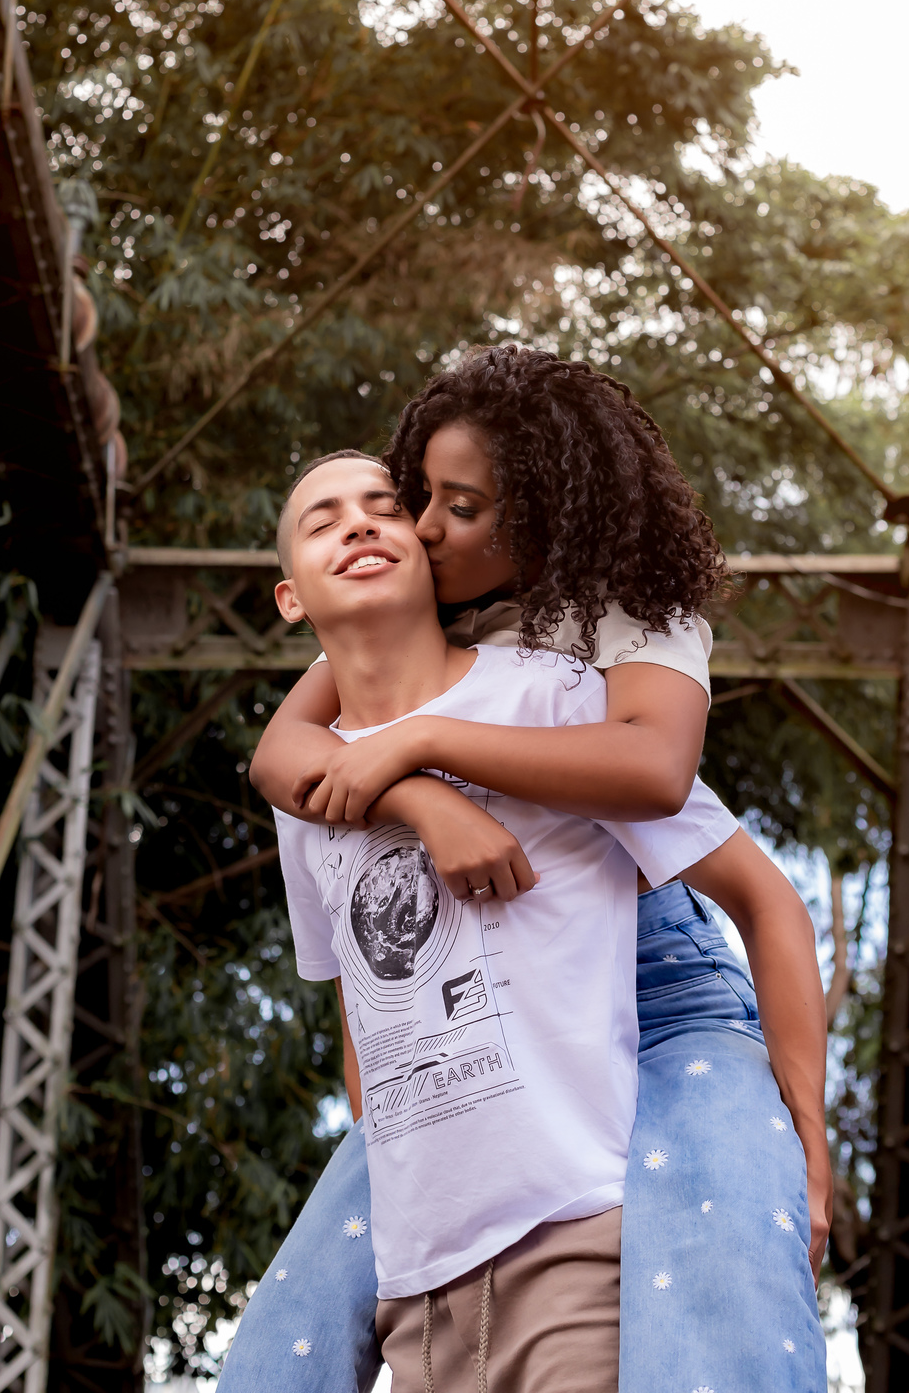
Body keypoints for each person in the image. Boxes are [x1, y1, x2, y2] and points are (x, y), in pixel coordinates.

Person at [218, 347, 829, 1393]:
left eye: (463, 508)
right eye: (424, 498)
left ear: (544, 519)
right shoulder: (418, 607)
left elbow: (656, 774)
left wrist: (809, 1136)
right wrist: (417, 792)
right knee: (288, 1339)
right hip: (473, 1037)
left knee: (728, 1274)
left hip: (661, 984)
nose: (416, 527)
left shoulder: (604, 632)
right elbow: (283, 758)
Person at [269, 449, 640, 1393]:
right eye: (323, 520)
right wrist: (426, 801)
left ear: (428, 555)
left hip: (572, 1234)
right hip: (416, 1291)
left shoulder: (551, 692)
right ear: (290, 600)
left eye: (385, 508)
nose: (357, 524)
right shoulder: (298, 787)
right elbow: (361, 1005)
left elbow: (740, 879)